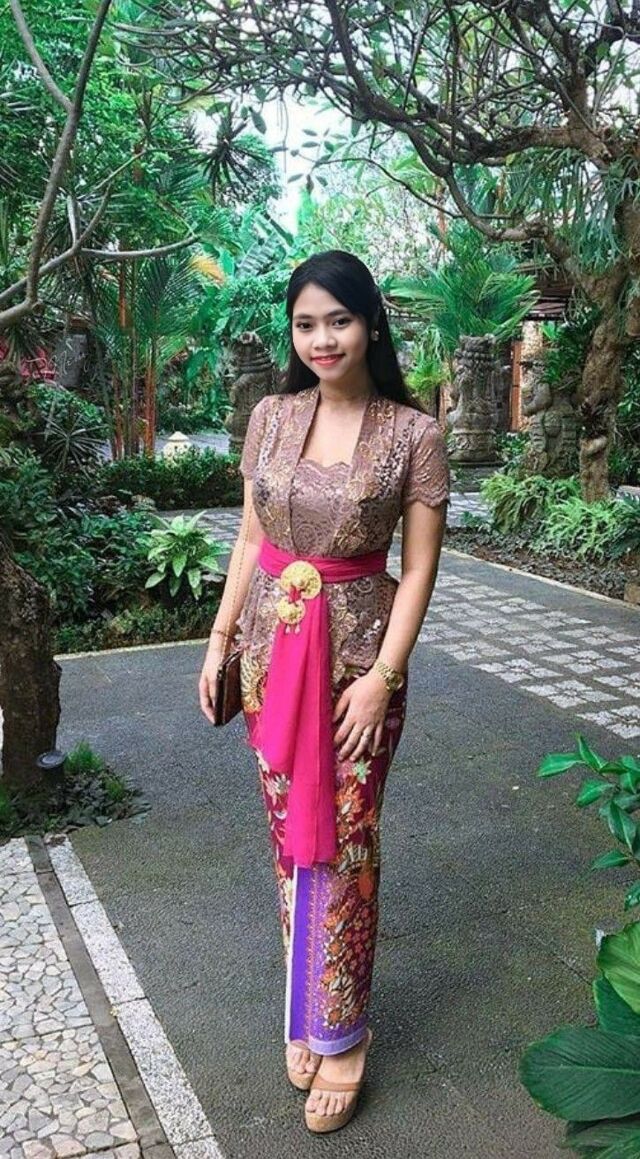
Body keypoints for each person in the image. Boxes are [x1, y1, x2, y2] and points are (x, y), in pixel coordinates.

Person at [199, 250, 449, 1134]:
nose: (322, 339)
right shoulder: (270, 416)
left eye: (338, 320)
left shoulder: (413, 434)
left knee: (344, 838)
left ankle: (342, 1032)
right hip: (271, 658)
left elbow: (420, 569)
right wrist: (220, 641)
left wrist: (384, 677)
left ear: (370, 323)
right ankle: (306, 1002)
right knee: (288, 838)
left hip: (355, 670)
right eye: (305, 324)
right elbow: (250, 538)